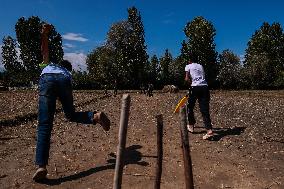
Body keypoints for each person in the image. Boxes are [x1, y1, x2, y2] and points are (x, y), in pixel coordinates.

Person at [32, 24, 111, 181]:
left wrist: (44, 34)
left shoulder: (48, 65)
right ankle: (95, 116)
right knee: (71, 114)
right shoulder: (67, 72)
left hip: (47, 81)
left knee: (45, 125)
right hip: (64, 82)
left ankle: (41, 166)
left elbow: (44, 50)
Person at [184, 54, 214, 140]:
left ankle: (191, 125)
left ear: (190, 60)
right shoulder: (201, 66)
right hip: (205, 87)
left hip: (195, 87)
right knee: (205, 110)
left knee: (190, 107)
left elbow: (186, 79)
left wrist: (191, 84)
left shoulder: (188, 66)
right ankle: (209, 130)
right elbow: (202, 77)